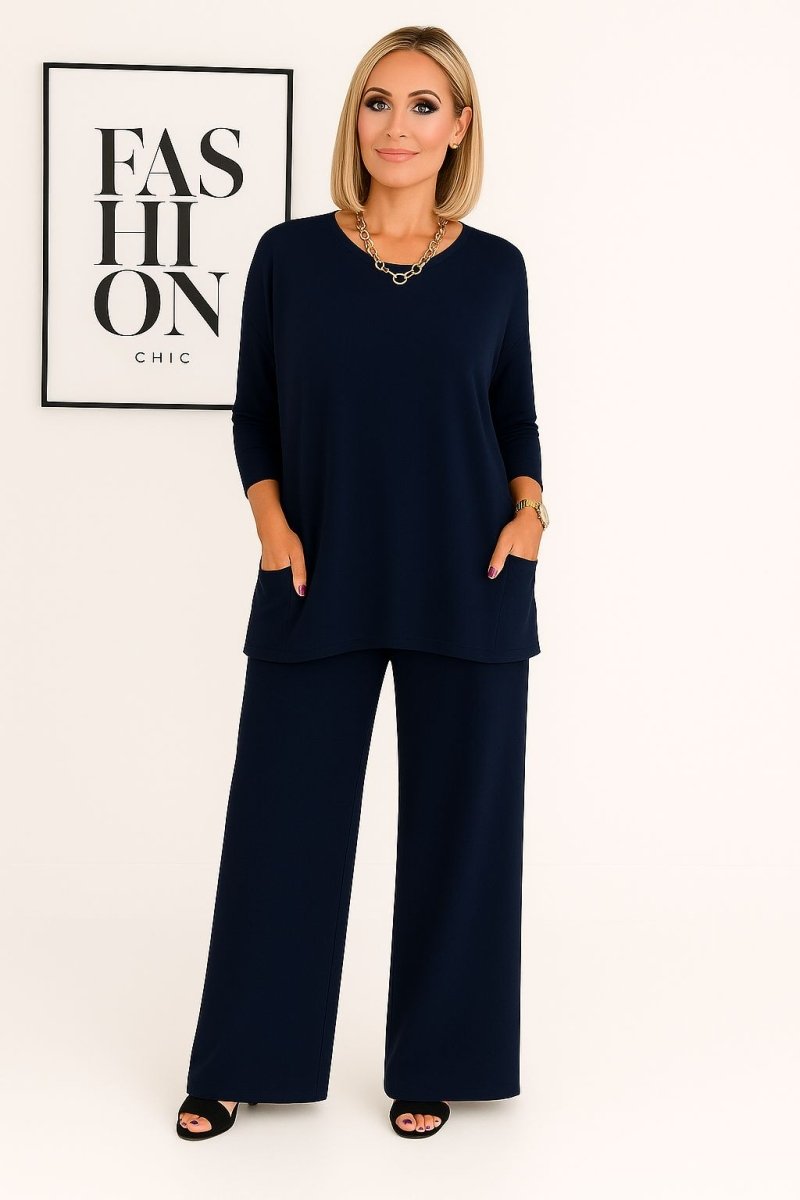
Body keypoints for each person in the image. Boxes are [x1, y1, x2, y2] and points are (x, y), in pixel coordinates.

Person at [176, 23, 549, 1143]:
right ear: (356, 119)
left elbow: (515, 416)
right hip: (315, 576)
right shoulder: (290, 256)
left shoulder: (496, 268)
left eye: (424, 105)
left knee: (461, 834)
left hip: (471, 578)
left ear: (459, 127)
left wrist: (532, 513)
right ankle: (244, 1057)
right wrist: (271, 527)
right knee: (280, 826)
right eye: (379, 102)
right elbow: (255, 412)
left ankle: (437, 1061)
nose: (397, 125)